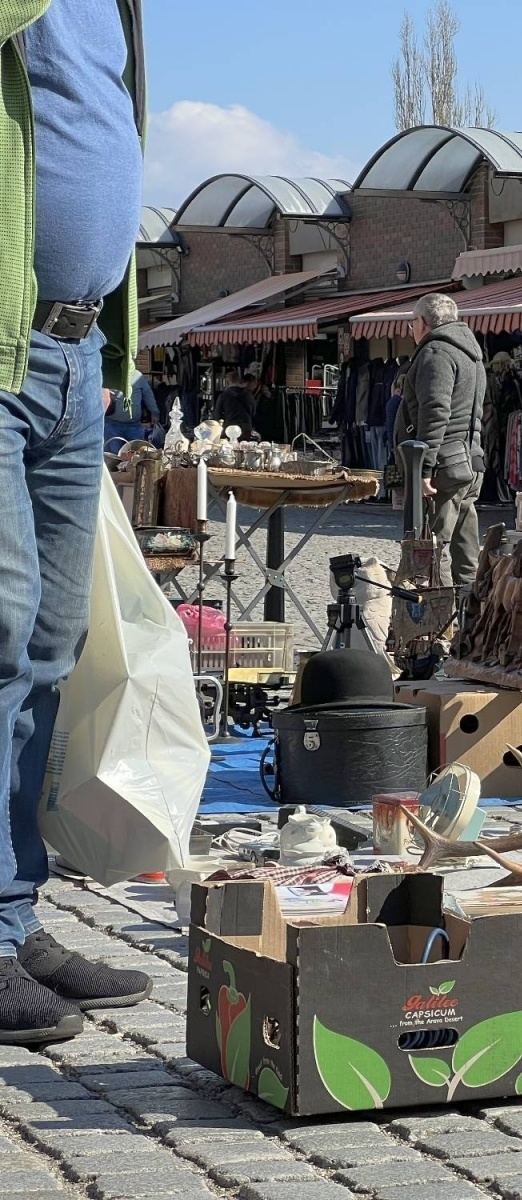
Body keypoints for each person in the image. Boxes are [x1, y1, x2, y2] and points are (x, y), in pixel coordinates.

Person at [0, 0, 154, 1043]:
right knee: (2, 629)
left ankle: (14, 916)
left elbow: (103, 136)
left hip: (72, 357)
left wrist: (109, 354)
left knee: (52, 643)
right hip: (2, 348)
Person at [401, 292, 488, 588]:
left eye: (412, 322)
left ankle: (442, 623)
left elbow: (436, 413)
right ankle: (470, 619)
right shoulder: (470, 352)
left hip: (445, 466)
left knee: (435, 549)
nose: (411, 329)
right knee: (466, 552)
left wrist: (424, 470)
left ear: (423, 323)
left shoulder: (436, 353)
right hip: (470, 460)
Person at [103, 366, 160, 449]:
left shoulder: (137, 376)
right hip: (112, 425)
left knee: (137, 454)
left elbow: (148, 395)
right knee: (113, 458)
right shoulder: (107, 375)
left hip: (134, 426)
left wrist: (154, 412)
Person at [214, 367, 259, 438]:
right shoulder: (248, 395)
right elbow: (254, 412)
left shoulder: (223, 396)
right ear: (239, 380)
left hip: (229, 429)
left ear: (227, 381)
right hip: (246, 428)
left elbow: (217, 415)